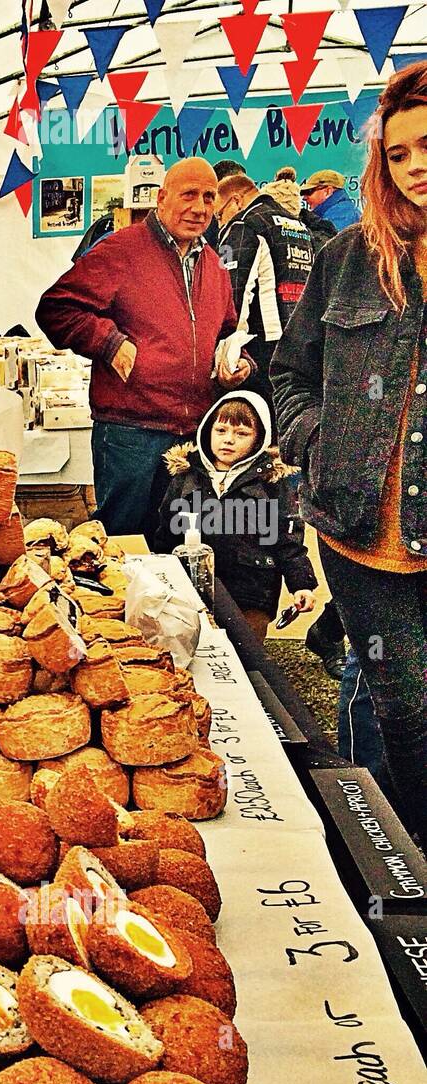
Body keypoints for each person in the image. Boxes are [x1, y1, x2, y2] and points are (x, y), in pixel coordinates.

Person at [272, 60, 427, 846]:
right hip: (364, 541)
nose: (415, 167)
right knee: (408, 718)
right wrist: (316, 445)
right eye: (398, 155)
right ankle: (408, 884)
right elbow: (290, 374)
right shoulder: (346, 260)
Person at [37, 157, 251, 537]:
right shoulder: (120, 250)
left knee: (184, 546)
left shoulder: (215, 266)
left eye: (208, 196)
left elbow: (227, 331)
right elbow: (56, 308)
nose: (199, 207)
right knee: (125, 545)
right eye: (188, 195)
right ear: (161, 198)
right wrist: (108, 342)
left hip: (193, 434)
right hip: (130, 433)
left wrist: (238, 361)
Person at [148, 391, 317, 641]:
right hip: (190, 588)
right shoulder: (185, 477)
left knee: (247, 654)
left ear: (259, 438)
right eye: (221, 430)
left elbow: (287, 539)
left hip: (252, 592)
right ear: (208, 430)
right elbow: (167, 532)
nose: (229, 440)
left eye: (241, 434)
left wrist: (301, 584)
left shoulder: (270, 483)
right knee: (194, 648)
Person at [215, 171, 316, 402]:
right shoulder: (298, 225)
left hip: (260, 348)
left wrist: (225, 348)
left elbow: (231, 292)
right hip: (300, 340)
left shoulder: (244, 224)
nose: (220, 223)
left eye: (219, 215)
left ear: (236, 201)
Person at [267, 165, 338, 250]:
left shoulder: (338, 217)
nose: (304, 197)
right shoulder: (322, 229)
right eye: (302, 193)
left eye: (309, 192)